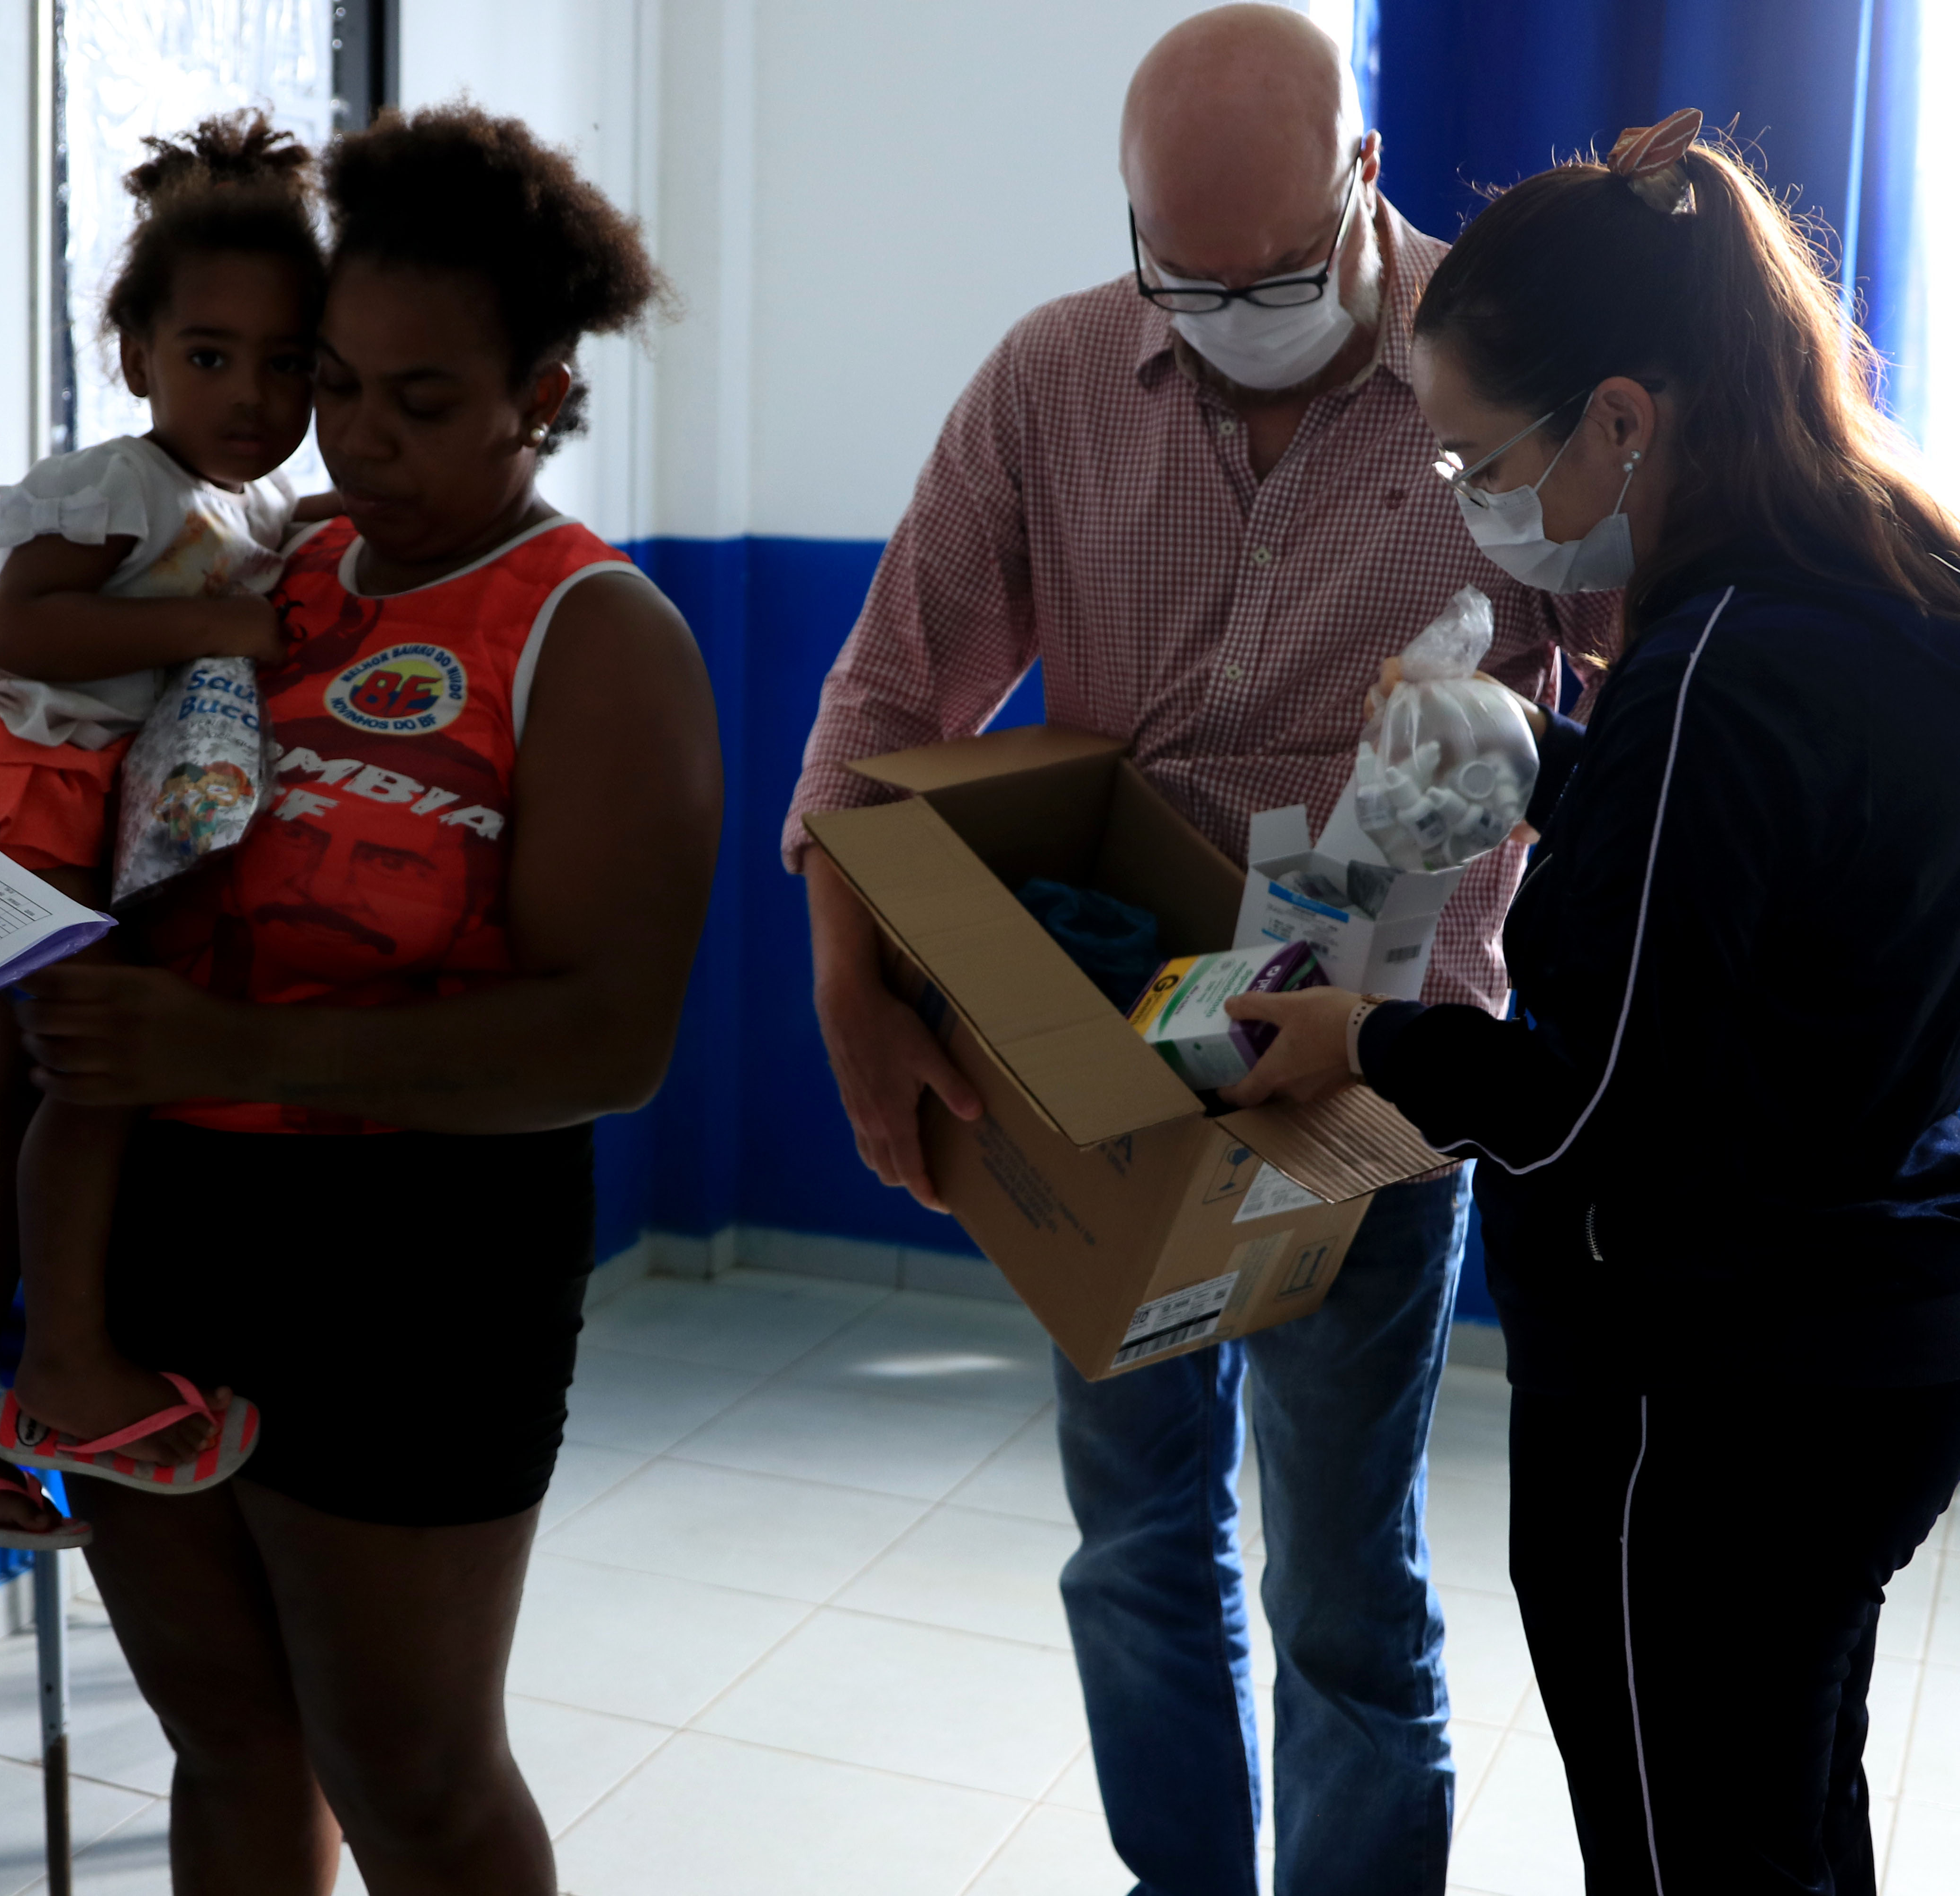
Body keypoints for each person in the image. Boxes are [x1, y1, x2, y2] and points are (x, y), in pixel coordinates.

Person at [784, 9, 1617, 1890]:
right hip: (1119, 1065)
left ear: (1366, 180)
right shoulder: (1058, 377)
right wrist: (849, 987)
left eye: (1278, 270)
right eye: (1188, 274)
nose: (1233, 315)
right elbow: (887, 695)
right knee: (1138, 1549)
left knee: (1343, 1586)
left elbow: (1649, 708)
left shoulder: (1500, 359)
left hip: (1377, 1080)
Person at [1226, 112, 1960, 1895]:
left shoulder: (1710, 664)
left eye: (1483, 460)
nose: (1470, 503)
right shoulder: (1897, 578)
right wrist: (1551, 765)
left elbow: (1597, 1112)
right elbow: (1778, 913)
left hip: (1696, 1401)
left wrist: (1366, 1038)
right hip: (1886, 1340)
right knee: (1792, 1807)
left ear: (1624, 418)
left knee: (1684, 1844)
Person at [6, 105, 719, 1895]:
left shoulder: (593, 632)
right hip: (161, 1227)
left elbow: (610, 1041)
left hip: (421, 1265)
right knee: (230, 1744)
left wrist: (241, 1047)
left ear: (543, 395)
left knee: (409, 1776)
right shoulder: (272, 570)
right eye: (335, 383)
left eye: (422, 400)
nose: (359, 437)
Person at [0, 113, 327, 1545]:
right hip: (11, 778)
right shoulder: (117, 484)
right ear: (135, 357)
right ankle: (58, 1367)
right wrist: (225, 624)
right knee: (80, 1073)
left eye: (288, 364)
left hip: (61, 797)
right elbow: (28, 629)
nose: (250, 395)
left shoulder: (249, 501)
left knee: (14, 1104)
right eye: (210, 356)